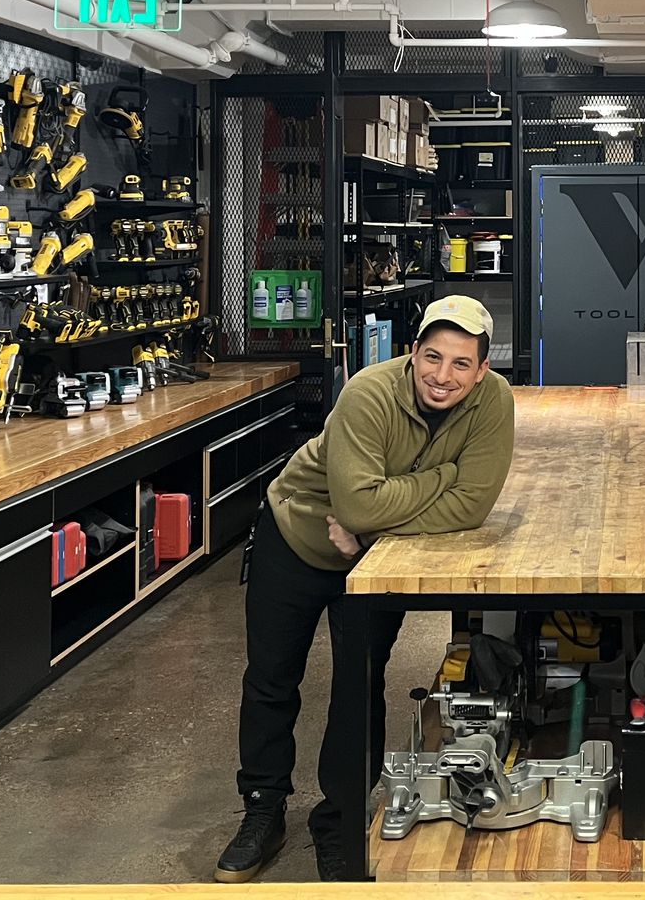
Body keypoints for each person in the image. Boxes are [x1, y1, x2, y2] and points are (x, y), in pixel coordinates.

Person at [217, 295, 516, 883]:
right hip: (299, 536)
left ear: (483, 369)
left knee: (359, 684)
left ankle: (340, 821)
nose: (442, 376)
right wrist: (442, 480)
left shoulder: (493, 403)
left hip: (374, 555)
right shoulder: (368, 394)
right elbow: (353, 502)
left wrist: (375, 522)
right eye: (432, 357)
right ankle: (263, 810)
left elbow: (474, 503)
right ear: (412, 353)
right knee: (272, 678)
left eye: (461, 364)